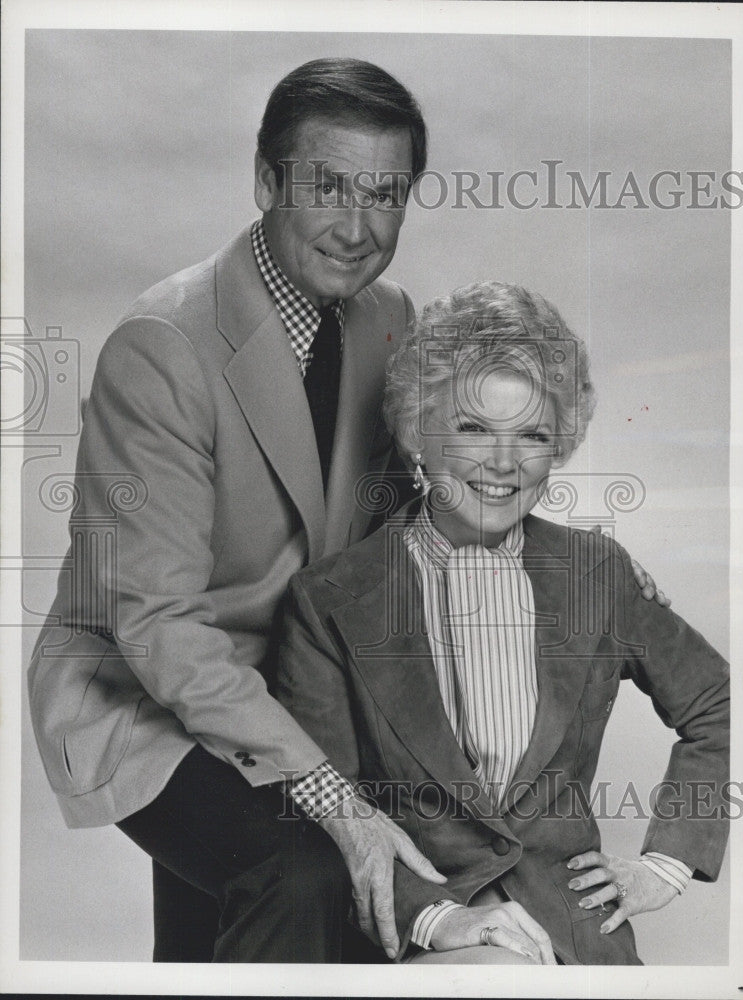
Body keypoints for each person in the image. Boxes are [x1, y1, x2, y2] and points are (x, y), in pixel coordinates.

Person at [27, 57, 448, 964]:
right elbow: (158, 624)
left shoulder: (388, 319)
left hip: (288, 680)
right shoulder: (163, 346)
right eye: (327, 187)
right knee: (299, 871)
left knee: (333, 887)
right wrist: (338, 797)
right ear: (266, 182)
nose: (357, 226)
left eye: (385, 194)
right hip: (140, 690)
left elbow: (391, 515)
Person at [275, 280, 730, 965]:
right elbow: (324, 810)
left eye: (532, 435)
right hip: (422, 934)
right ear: (419, 435)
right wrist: (434, 920)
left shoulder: (597, 574)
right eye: (473, 428)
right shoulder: (329, 600)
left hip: (579, 943)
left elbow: (720, 704)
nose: (504, 463)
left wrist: (667, 864)